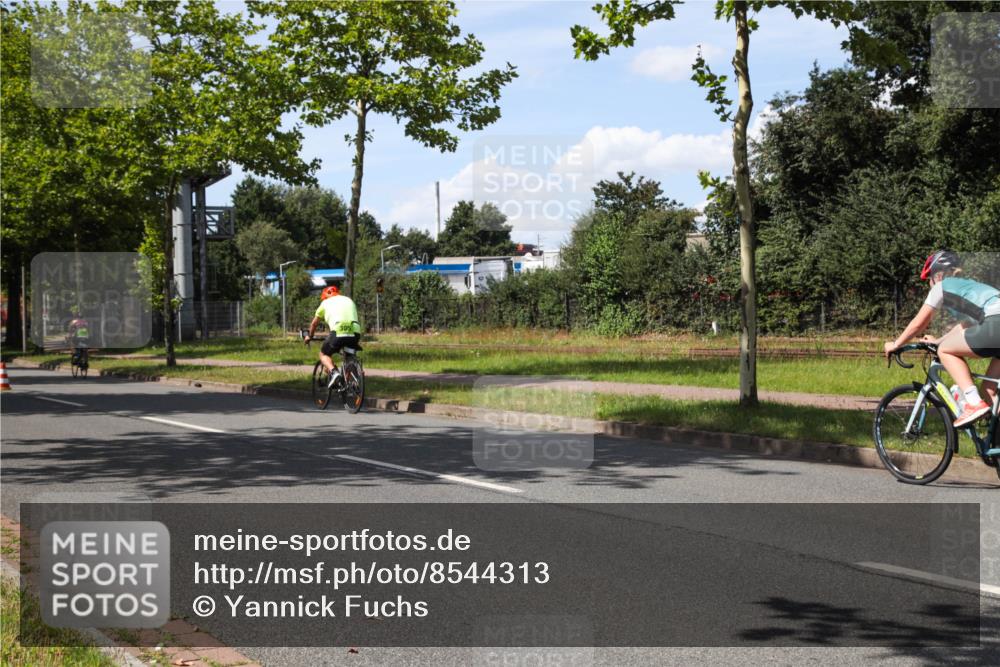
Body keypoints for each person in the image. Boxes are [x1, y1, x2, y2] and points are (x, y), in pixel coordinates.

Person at [884, 250, 1000, 429]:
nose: (929, 285)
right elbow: (965, 325)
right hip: (994, 323)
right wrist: (938, 341)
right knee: (989, 390)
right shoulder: (969, 287)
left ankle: (973, 402)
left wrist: (896, 344)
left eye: (929, 280)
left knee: (945, 351)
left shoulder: (941, 286)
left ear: (937, 275)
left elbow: (918, 324)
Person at [304, 285, 362, 387]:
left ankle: (335, 373)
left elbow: (314, 324)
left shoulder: (325, 302)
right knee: (349, 357)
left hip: (338, 331)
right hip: (355, 331)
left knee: (323, 354)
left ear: (325, 296)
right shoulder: (348, 300)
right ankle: (350, 385)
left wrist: (310, 336)